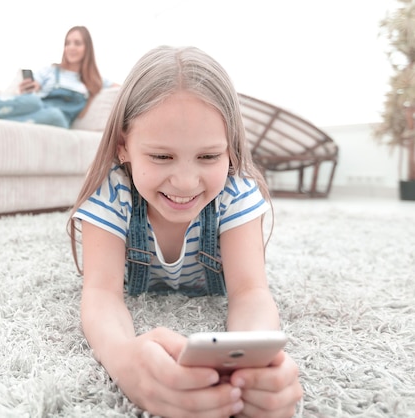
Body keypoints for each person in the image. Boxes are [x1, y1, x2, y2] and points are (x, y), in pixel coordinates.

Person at [67, 45, 303, 417]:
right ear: (123, 147)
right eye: (161, 157)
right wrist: (124, 361)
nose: (185, 181)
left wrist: (252, 363)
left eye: (208, 157)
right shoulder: (112, 193)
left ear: (230, 150)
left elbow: (251, 291)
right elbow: (101, 293)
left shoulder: (236, 192)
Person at [0, 26, 117, 128]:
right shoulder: (51, 71)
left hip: (59, 118)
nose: (70, 47)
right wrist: (32, 87)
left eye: (77, 43)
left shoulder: (94, 81)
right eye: (67, 43)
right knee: (32, 101)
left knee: (54, 113)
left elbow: (122, 87)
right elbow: (34, 86)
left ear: (87, 48)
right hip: (38, 106)